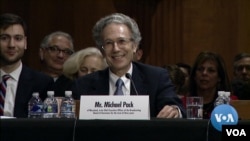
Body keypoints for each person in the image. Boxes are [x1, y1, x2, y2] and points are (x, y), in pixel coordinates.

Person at [72, 13, 185, 118]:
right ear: (102, 51)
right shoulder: (83, 85)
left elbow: (177, 108)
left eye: (122, 41)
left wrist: (174, 110)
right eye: (108, 43)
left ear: (134, 46)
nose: (116, 49)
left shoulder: (156, 78)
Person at [0, 13, 54, 118]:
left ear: (25, 42)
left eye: (18, 38)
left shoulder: (42, 83)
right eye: (4, 38)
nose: (11, 45)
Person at [188, 51, 237, 119]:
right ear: (194, 75)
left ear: (219, 77)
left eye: (211, 70)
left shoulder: (231, 102)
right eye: (200, 69)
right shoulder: (183, 103)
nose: (204, 73)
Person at [39, 31, 74, 97]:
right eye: (54, 49)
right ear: (42, 53)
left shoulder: (75, 85)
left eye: (67, 52)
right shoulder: (30, 81)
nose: (60, 55)